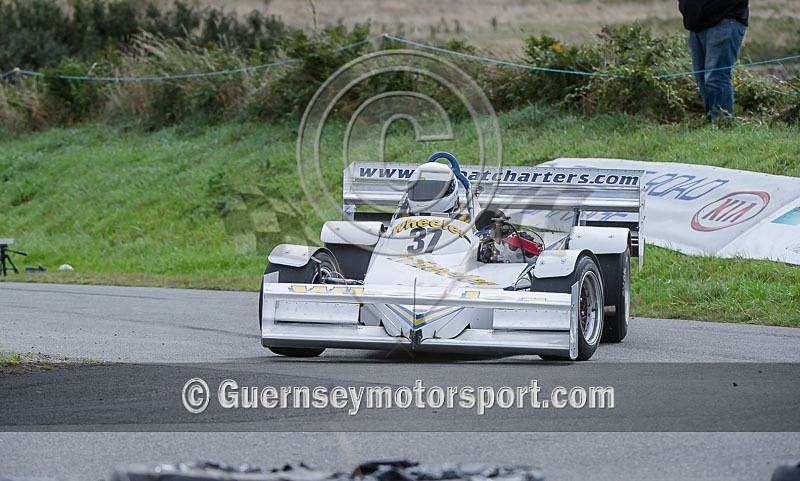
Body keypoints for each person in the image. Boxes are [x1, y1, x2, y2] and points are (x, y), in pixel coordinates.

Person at [678, 0, 749, 121]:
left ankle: (722, 124)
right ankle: (712, 122)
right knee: (702, 79)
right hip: (697, 25)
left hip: (723, 20)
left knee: (716, 77)